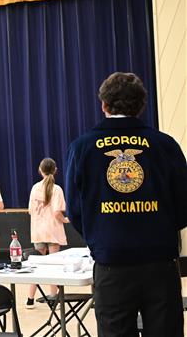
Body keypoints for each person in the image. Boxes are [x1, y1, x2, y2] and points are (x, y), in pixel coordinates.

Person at [65, 72, 187, 337]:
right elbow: (184, 206)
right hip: (160, 263)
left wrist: (101, 235)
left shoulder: (83, 148)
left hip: (112, 263)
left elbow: (75, 209)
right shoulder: (165, 145)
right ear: (141, 105)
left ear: (104, 105)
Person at [25, 157, 69, 309]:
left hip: (38, 231)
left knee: (36, 265)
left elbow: (30, 211)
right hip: (53, 231)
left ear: (40, 170)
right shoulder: (57, 189)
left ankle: (30, 299)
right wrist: (65, 220)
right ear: (55, 170)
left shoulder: (34, 188)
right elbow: (57, 213)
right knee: (54, 266)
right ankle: (53, 299)